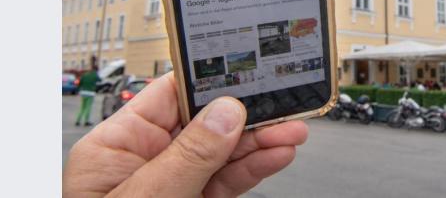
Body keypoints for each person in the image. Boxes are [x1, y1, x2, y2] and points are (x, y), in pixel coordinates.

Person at [63, 72, 308, 197]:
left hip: (85, 93)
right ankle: (83, 118)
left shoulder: (88, 77)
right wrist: (196, 149)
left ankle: (83, 119)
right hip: (89, 94)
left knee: (87, 107)